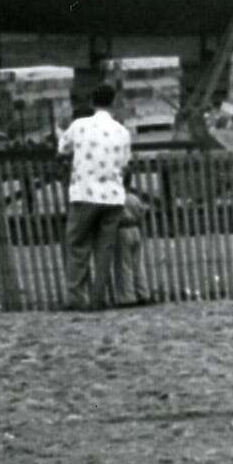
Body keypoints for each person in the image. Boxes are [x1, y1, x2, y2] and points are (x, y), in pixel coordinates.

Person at [55, 82, 141, 309]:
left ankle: (76, 297)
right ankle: (97, 299)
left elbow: (63, 149)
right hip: (113, 197)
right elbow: (124, 164)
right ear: (113, 103)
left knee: (78, 246)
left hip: (84, 193)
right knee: (104, 250)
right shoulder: (122, 131)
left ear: (92, 102)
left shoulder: (79, 125)